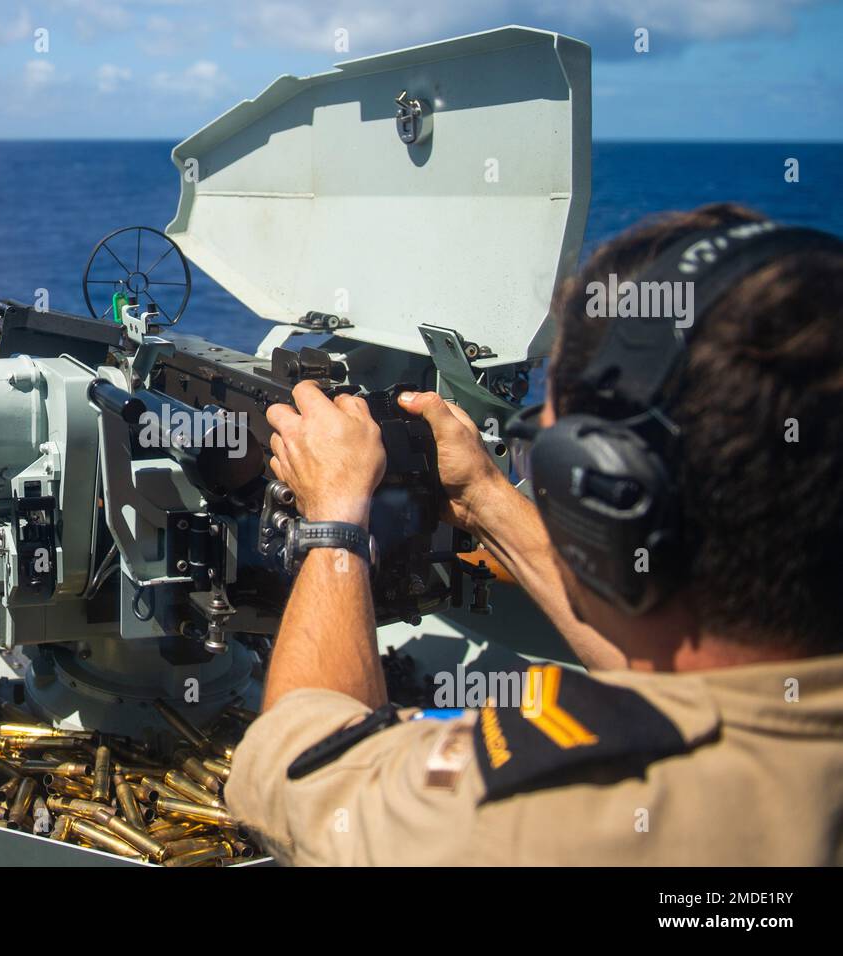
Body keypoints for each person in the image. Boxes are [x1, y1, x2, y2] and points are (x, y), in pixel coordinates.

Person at [224, 204, 843, 865]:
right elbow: (683, 672)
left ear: (600, 493)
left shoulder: (550, 820)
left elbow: (300, 772)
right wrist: (486, 495)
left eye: (544, 447)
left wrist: (333, 518)